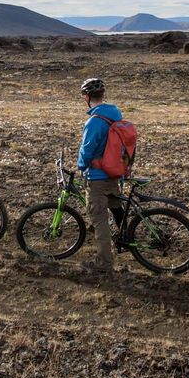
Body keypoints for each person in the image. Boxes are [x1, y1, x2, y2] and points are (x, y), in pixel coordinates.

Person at [76, 77, 126, 276]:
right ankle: (125, 238)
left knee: (100, 219)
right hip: (114, 172)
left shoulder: (95, 121)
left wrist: (81, 165)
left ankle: (104, 263)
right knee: (115, 206)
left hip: (98, 176)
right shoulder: (115, 114)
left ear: (87, 97)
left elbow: (87, 150)